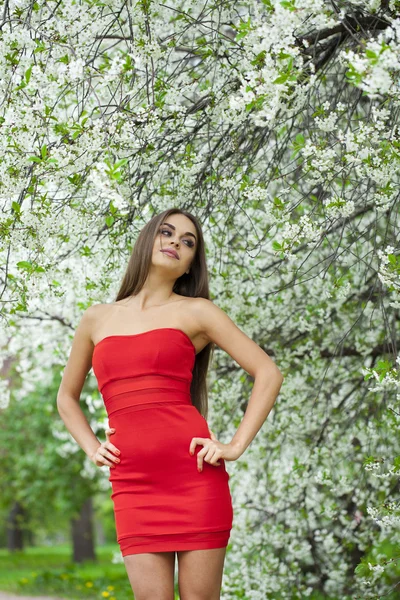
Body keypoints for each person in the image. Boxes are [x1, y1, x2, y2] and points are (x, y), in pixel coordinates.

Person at [57, 207, 284, 600]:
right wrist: (92, 447)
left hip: (194, 477)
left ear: (191, 264)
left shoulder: (197, 312)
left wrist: (234, 446)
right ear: (148, 240)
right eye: (167, 232)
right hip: (133, 484)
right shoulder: (97, 318)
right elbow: (66, 397)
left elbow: (268, 372)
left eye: (188, 241)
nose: (176, 242)